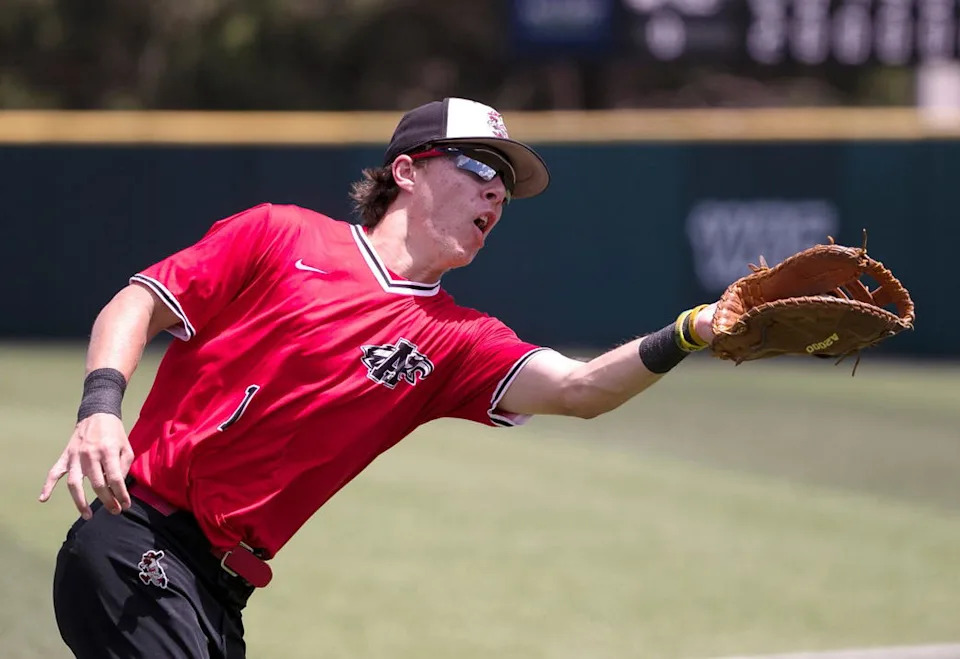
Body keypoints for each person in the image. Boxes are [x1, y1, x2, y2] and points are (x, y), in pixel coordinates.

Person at [39, 97, 718, 658]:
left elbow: (582, 388)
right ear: (407, 170)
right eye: (479, 163)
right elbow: (140, 301)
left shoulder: (456, 339)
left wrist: (691, 330)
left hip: (219, 597)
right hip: (138, 542)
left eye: (505, 186)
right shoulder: (281, 235)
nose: (495, 191)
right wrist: (101, 405)